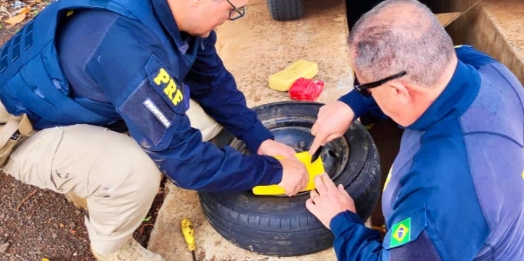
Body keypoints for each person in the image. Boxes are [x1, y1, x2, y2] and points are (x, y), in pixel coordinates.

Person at [0, 0, 309, 260]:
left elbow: (211, 82)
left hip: (78, 96)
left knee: (206, 121)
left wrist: (260, 139)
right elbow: (187, 166)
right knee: (131, 171)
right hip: (20, 132)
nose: (230, 19)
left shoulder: (175, 17)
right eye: (233, 9)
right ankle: (114, 248)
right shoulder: (123, 44)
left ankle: (94, 156)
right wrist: (274, 173)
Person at [306, 0, 524, 260]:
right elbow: (450, 56)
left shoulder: (437, 195)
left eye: (365, 88)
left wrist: (342, 221)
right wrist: (351, 104)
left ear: (399, 91)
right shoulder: (488, 68)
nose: (364, 94)